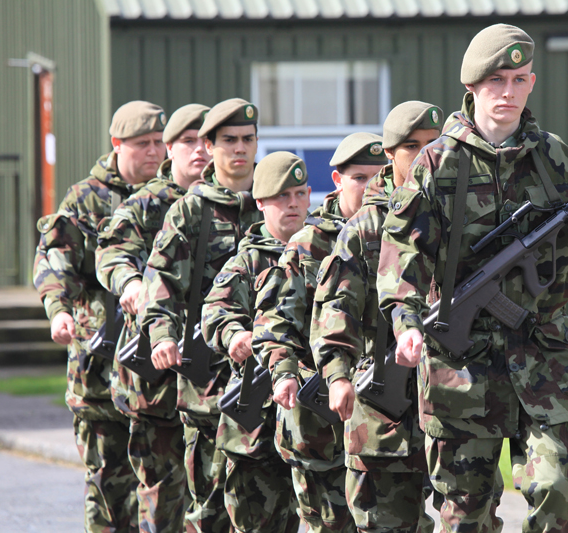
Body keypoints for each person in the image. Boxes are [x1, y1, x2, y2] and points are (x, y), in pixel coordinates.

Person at [376, 24, 568, 533]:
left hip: (542, 360)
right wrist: (406, 321)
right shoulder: (437, 164)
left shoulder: (553, 157)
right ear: (474, 87)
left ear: (532, 83)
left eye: (520, 79)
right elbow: (401, 254)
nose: (508, 92)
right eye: (497, 80)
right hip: (463, 369)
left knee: (553, 494)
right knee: (466, 514)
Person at [33, 100, 167, 532]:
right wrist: (58, 312)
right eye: (143, 143)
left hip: (160, 375)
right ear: (117, 145)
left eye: (160, 142)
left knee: (166, 490)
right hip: (101, 370)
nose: (154, 152)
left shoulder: (172, 198)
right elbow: (55, 261)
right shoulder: (85, 199)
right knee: (109, 490)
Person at [311, 101, 443, 533]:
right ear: (390, 154)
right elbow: (335, 306)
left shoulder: (460, 216)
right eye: (412, 147)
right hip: (385, 414)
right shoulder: (367, 226)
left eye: (433, 145)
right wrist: (337, 375)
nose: (425, 156)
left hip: (455, 404)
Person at [251, 132, 386, 533]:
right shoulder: (309, 244)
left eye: (380, 176)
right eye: (360, 178)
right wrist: (284, 371)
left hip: (387, 421)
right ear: (338, 180)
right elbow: (274, 322)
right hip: (320, 426)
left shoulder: (401, 237)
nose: (370, 187)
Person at [139, 98, 261, 533]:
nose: (240, 149)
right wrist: (162, 336)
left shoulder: (271, 201)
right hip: (209, 384)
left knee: (266, 509)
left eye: (248, 139)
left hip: (265, 380)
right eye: (229, 140)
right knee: (208, 510)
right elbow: (162, 281)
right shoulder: (192, 210)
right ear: (210, 146)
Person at [95, 103, 211, 533]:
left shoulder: (233, 203)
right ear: (171, 150)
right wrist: (129, 285)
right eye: (188, 142)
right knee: (162, 496)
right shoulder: (149, 203)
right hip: (156, 385)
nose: (200, 151)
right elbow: (112, 252)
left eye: (207, 141)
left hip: (213, 379)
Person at [200, 151, 311, 533]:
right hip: (257, 425)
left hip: (313, 420)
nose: (293, 204)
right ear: (261, 203)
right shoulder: (246, 262)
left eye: (299, 193)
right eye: (282, 196)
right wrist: (234, 336)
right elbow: (215, 312)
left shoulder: (326, 252)